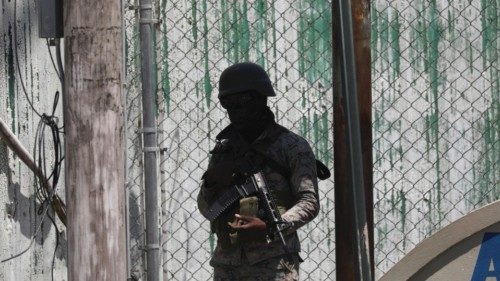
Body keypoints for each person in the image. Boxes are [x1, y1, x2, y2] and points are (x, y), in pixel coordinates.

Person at [197, 62, 320, 281]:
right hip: (227, 264)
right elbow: (208, 210)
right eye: (228, 103)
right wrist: (212, 183)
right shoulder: (224, 150)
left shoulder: (290, 146)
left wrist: (271, 227)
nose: (235, 111)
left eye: (242, 101)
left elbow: (309, 202)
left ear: (261, 99)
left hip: (273, 264)